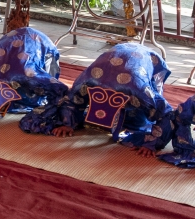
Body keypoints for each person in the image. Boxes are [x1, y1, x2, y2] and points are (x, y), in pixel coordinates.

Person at [20, 43, 174, 156]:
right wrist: (68, 123)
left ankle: (129, 115)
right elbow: (73, 99)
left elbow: (166, 113)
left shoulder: (140, 91)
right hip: (108, 64)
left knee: (141, 119)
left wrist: (152, 142)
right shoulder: (87, 81)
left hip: (145, 61)